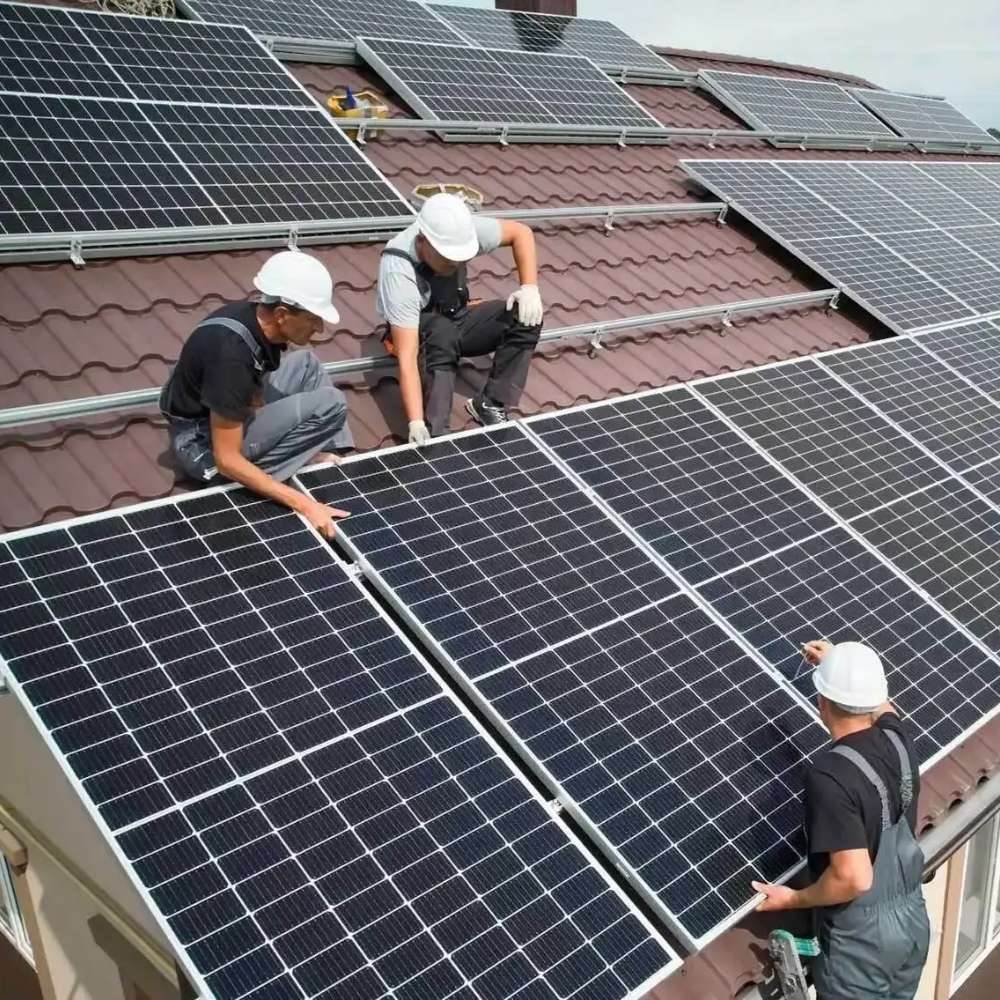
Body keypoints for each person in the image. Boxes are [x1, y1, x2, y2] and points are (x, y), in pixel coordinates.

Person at [752, 640, 929, 1000]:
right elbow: (883, 707)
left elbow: (853, 877)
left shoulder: (830, 776)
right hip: (912, 923)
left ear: (822, 702)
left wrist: (793, 899)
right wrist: (843, 667)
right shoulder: (898, 740)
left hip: (862, 946)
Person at [159, 250, 351, 538]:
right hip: (203, 443)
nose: (320, 328)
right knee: (332, 405)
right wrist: (305, 505)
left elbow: (256, 383)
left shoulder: (255, 320)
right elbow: (227, 459)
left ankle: (335, 455)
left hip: (221, 409)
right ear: (282, 315)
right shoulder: (230, 356)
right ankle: (272, 471)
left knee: (308, 365)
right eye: (313, 319)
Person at [376, 192, 544, 443]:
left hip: (458, 316)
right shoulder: (398, 271)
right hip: (419, 333)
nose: (455, 265)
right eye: (447, 259)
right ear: (423, 241)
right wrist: (415, 421)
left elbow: (521, 233)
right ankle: (437, 432)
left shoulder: (460, 229)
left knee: (525, 316)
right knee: (441, 332)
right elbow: (408, 357)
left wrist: (530, 287)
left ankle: (490, 403)